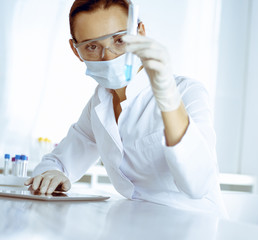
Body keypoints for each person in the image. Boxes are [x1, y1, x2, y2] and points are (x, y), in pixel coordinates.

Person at [24, 0, 227, 217]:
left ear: (139, 32)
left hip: (197, 227)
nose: (109, 56)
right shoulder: (99, 104)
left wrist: (169, 100)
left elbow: (198, 185)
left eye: (119, 40)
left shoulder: (186, 92)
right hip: (138, 224)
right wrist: (52, 174)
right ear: (76, 50)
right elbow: (57, 162)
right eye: (92, 46)